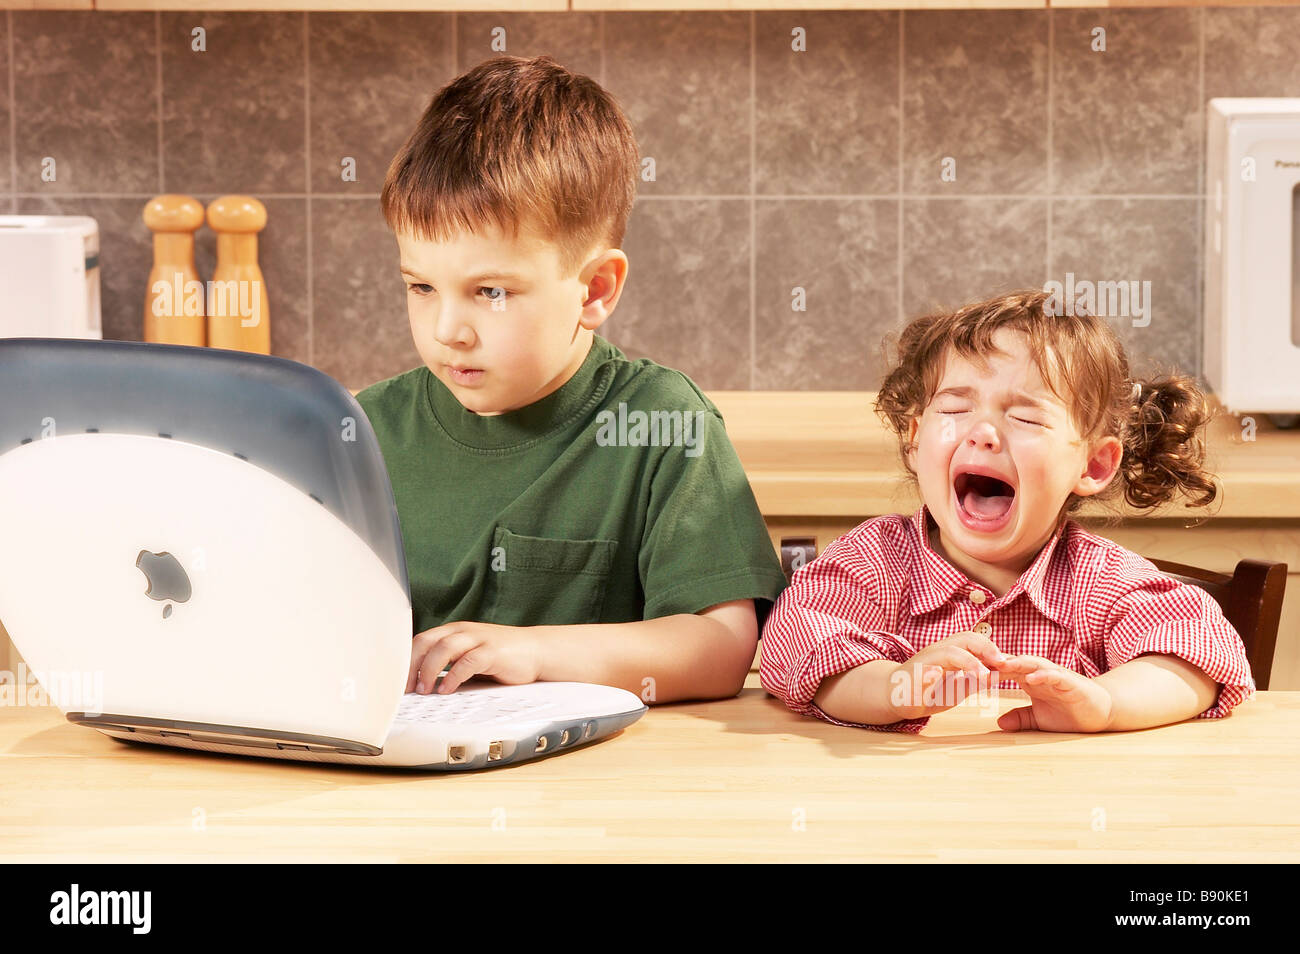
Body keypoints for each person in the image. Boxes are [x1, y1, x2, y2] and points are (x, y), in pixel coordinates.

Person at [356, 55, 787, 705]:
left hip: (597, 790)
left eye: (491, 291)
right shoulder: (365, 429)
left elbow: (723, 645)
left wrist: (533, 653)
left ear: (595, 289)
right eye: (421, 286)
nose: (448, 329)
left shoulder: (664, 422)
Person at [760, 289, 1253, 733]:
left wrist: (1105, 704)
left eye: (1024, 416)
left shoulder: (1101, 582)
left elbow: (1201, 650)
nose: (983, 432)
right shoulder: (873, 563)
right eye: (954, 410)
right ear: (914, 441)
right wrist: (895, 687)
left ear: (1094, 464)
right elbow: (795, 640)